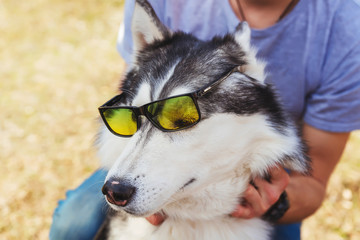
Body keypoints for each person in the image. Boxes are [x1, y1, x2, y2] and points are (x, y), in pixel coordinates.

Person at [50, 0, 360, 239]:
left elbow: (314, 180)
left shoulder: (347, 28)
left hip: (267, 182)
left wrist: (275, 202)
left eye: (183, 119)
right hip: (152, 158)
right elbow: (135, 103)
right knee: (73, 224)